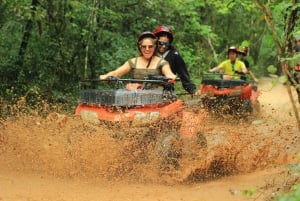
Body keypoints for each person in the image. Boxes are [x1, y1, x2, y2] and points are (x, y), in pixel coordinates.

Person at [99, 31, 176, 85]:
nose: (147, 49)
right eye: (144, 47)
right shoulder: (133, 62)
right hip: (136, 98)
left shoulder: (162, 62)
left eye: (150, 47)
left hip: (157, 99)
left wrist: (171, 77)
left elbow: (168, 72)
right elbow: (117, 73)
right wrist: (107, 76)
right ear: (140, 47)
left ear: (155, 47)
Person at [153, 25, 197, 94]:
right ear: (155, 41)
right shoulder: (150, 52)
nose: (163, 46)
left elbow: (183, 74)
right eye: (160, 43)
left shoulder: (174, 55)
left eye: (166, 44)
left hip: (167, 91)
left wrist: (192, 90)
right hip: (148, 90)